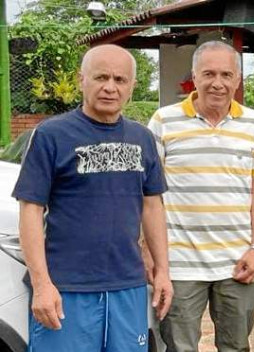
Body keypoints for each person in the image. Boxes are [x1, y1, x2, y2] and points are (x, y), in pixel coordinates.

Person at [13, 44, 173, 351]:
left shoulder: (143, 138)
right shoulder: (51, 135)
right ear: (81, 79)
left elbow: (153, 207)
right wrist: (41, 283)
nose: (110, 87)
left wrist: (163, 271)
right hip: (66, 288)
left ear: (132, 86)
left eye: (120, 80)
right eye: (101, 77)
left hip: (128, 286)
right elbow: (30, 210)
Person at [147, 41, 254, 352]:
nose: (218, 83)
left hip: (238, 262)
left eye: (227, 74)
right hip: (179, 263)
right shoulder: (163, 121)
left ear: (238, 79)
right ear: (194, 76)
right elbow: (147, 195)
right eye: (209, 74)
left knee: (236, 346)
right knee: (179, 347)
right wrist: (151, 255)